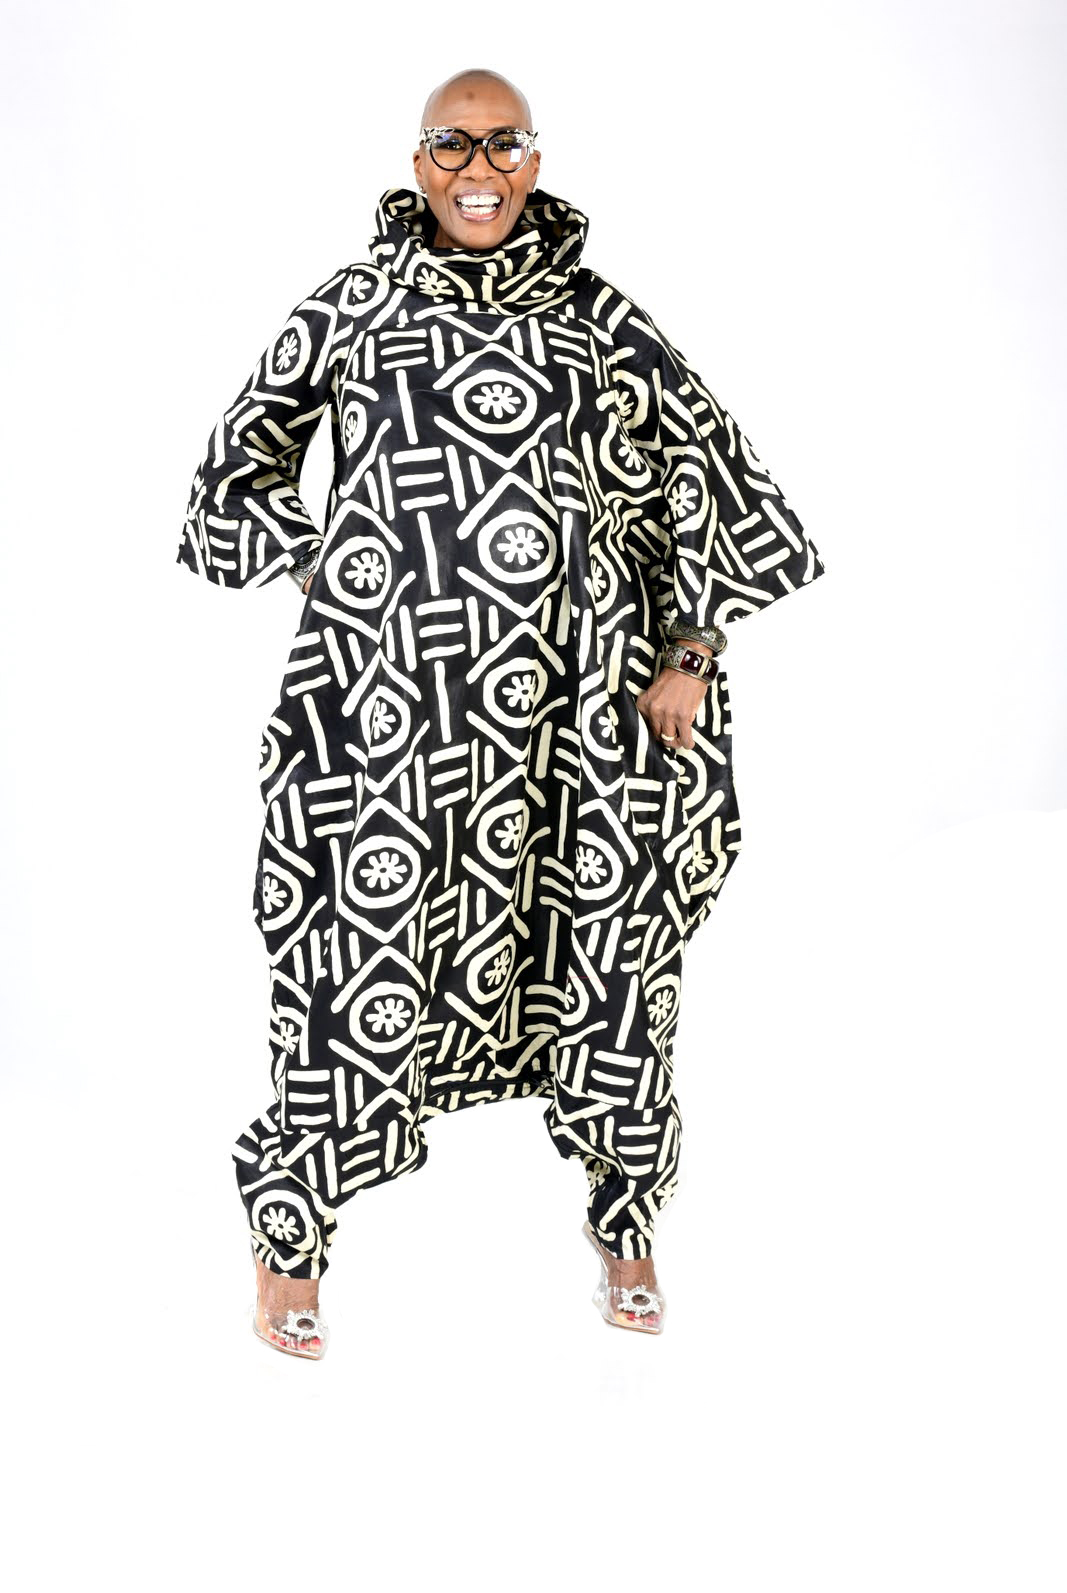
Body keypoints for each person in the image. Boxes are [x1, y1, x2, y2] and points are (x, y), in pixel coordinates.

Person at [175, 67, 826, 1358]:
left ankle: (627, 1221)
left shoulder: (599, 320)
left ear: (535, 159)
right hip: (393, 718)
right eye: (453, 144)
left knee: (613, 960)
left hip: (576, 724)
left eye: (505, 143)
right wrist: (328, 564)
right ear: (417, 162)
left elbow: (716, 473)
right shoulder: (353, 309)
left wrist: (690, 648)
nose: (480, 169)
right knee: (351, 964)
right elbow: (233, 473)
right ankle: (289, 1244)